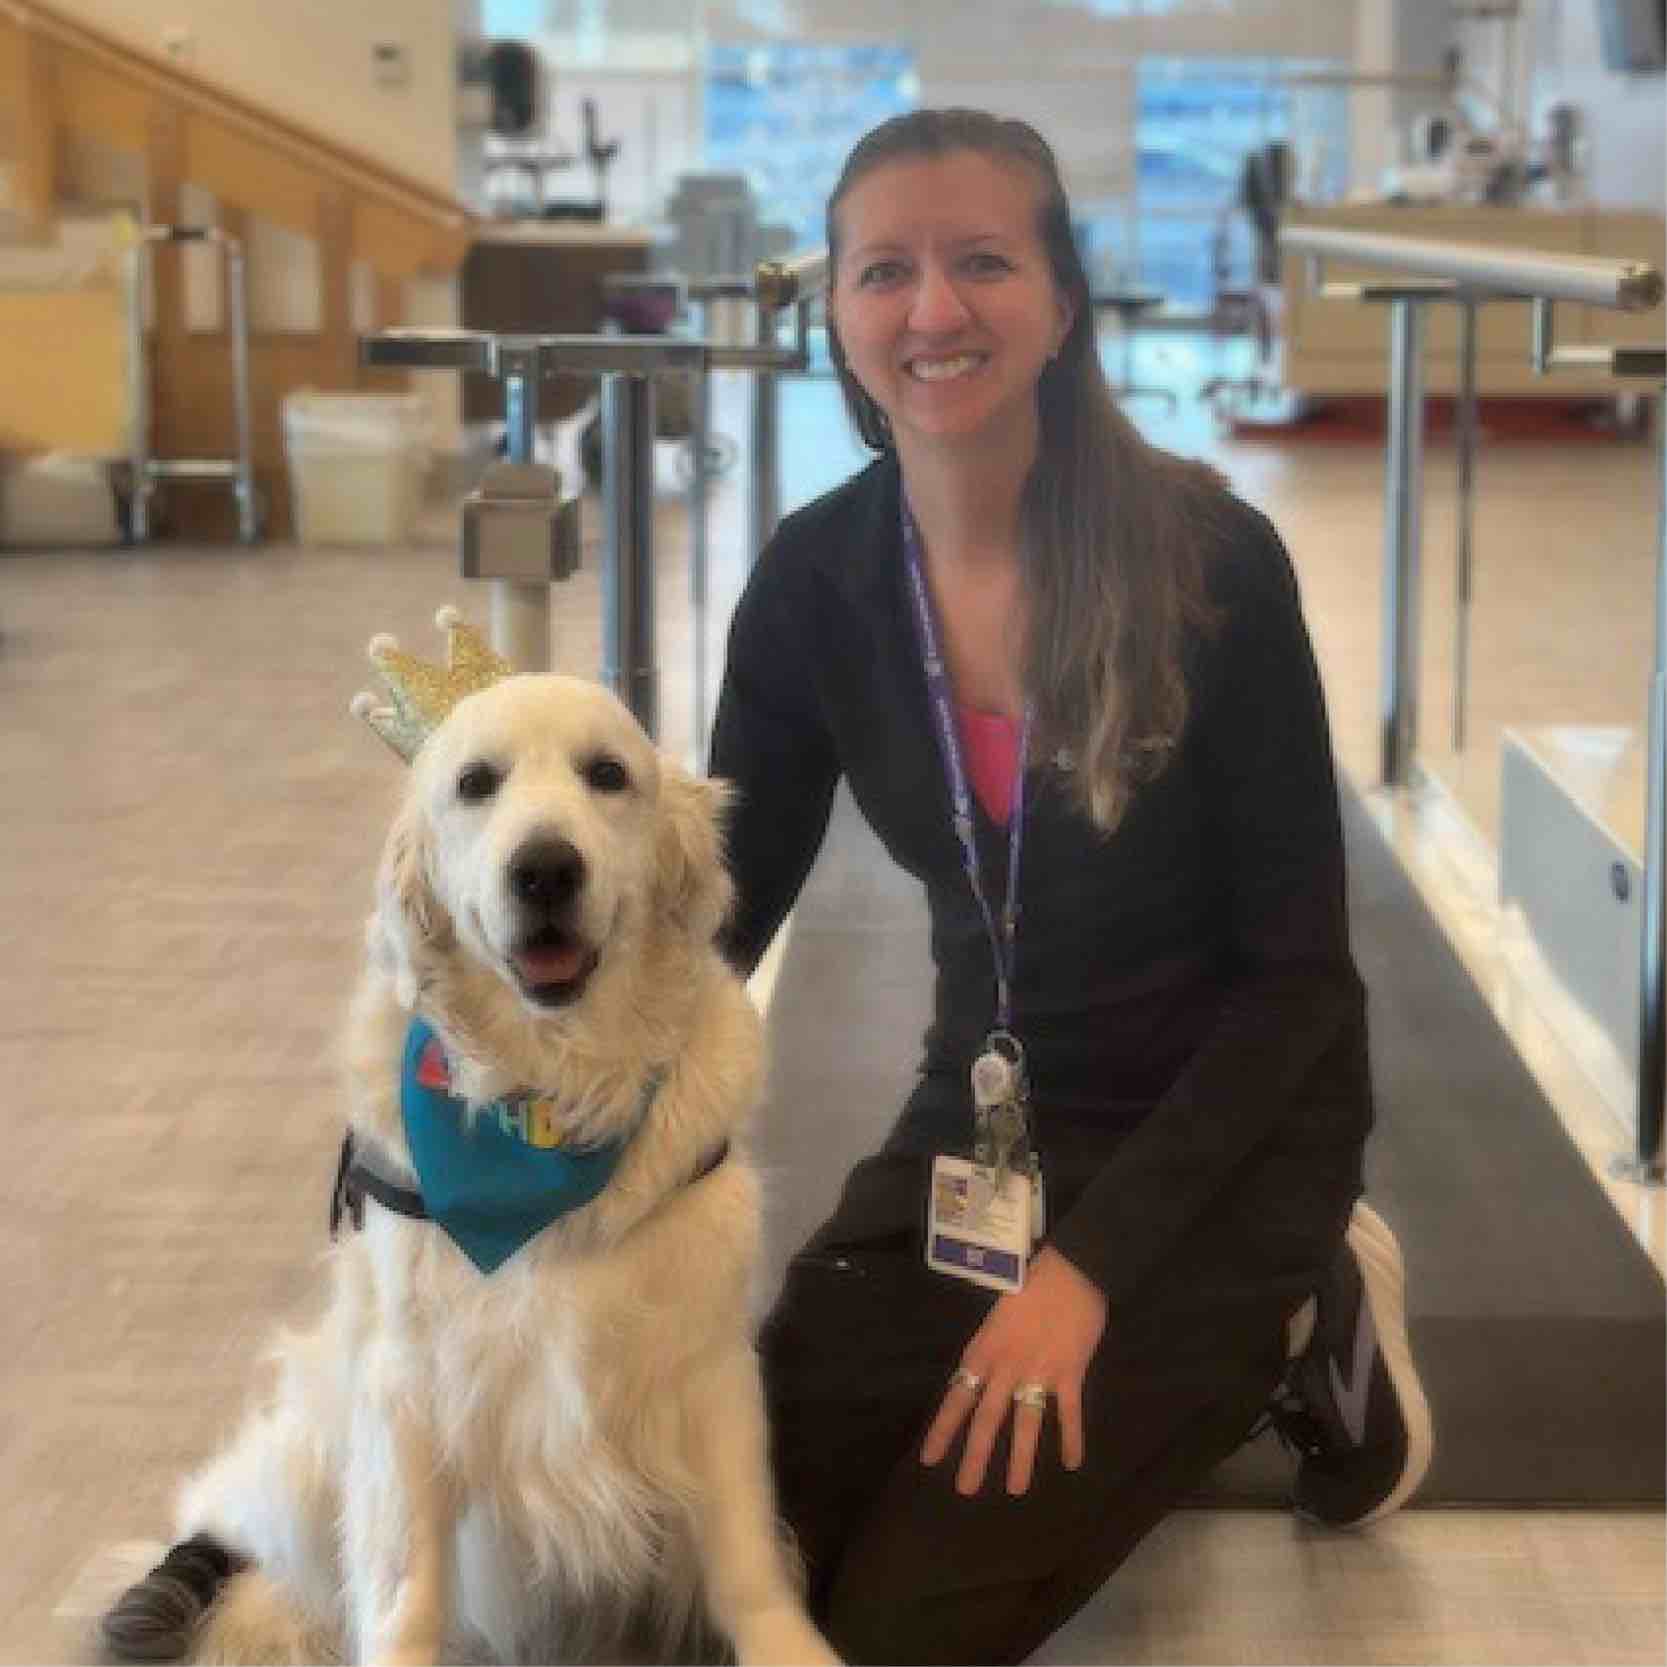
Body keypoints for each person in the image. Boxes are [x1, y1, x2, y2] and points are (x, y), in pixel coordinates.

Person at [708, 108, 1433, 1667]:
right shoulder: (813, 583)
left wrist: (1087, 1279)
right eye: (884, 271)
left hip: (1225, 1137)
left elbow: (1301, 981)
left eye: (984, 263)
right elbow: (715, 920)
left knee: (905, 1621)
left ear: (1064, 299)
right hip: (985, 1126)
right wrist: (511, 1056)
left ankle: (1301, 1312)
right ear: (832, 310)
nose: (933, 312)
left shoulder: (1205, 561)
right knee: (743, 1560)